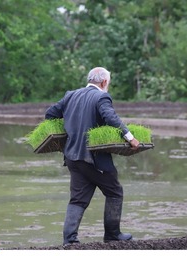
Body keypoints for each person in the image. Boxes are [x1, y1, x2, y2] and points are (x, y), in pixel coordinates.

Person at [45, 67, 140, 245]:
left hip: (73, 158)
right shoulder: (101, 97)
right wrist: (130, 137)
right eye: (108, 83)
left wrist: (64, 138)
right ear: (104, 82)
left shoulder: (70, 95)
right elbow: (110, 117)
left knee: (78, 199)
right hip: (94, 159)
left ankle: (70, 240)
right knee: (114, 192)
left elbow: (50, 114)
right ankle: (112, 235)